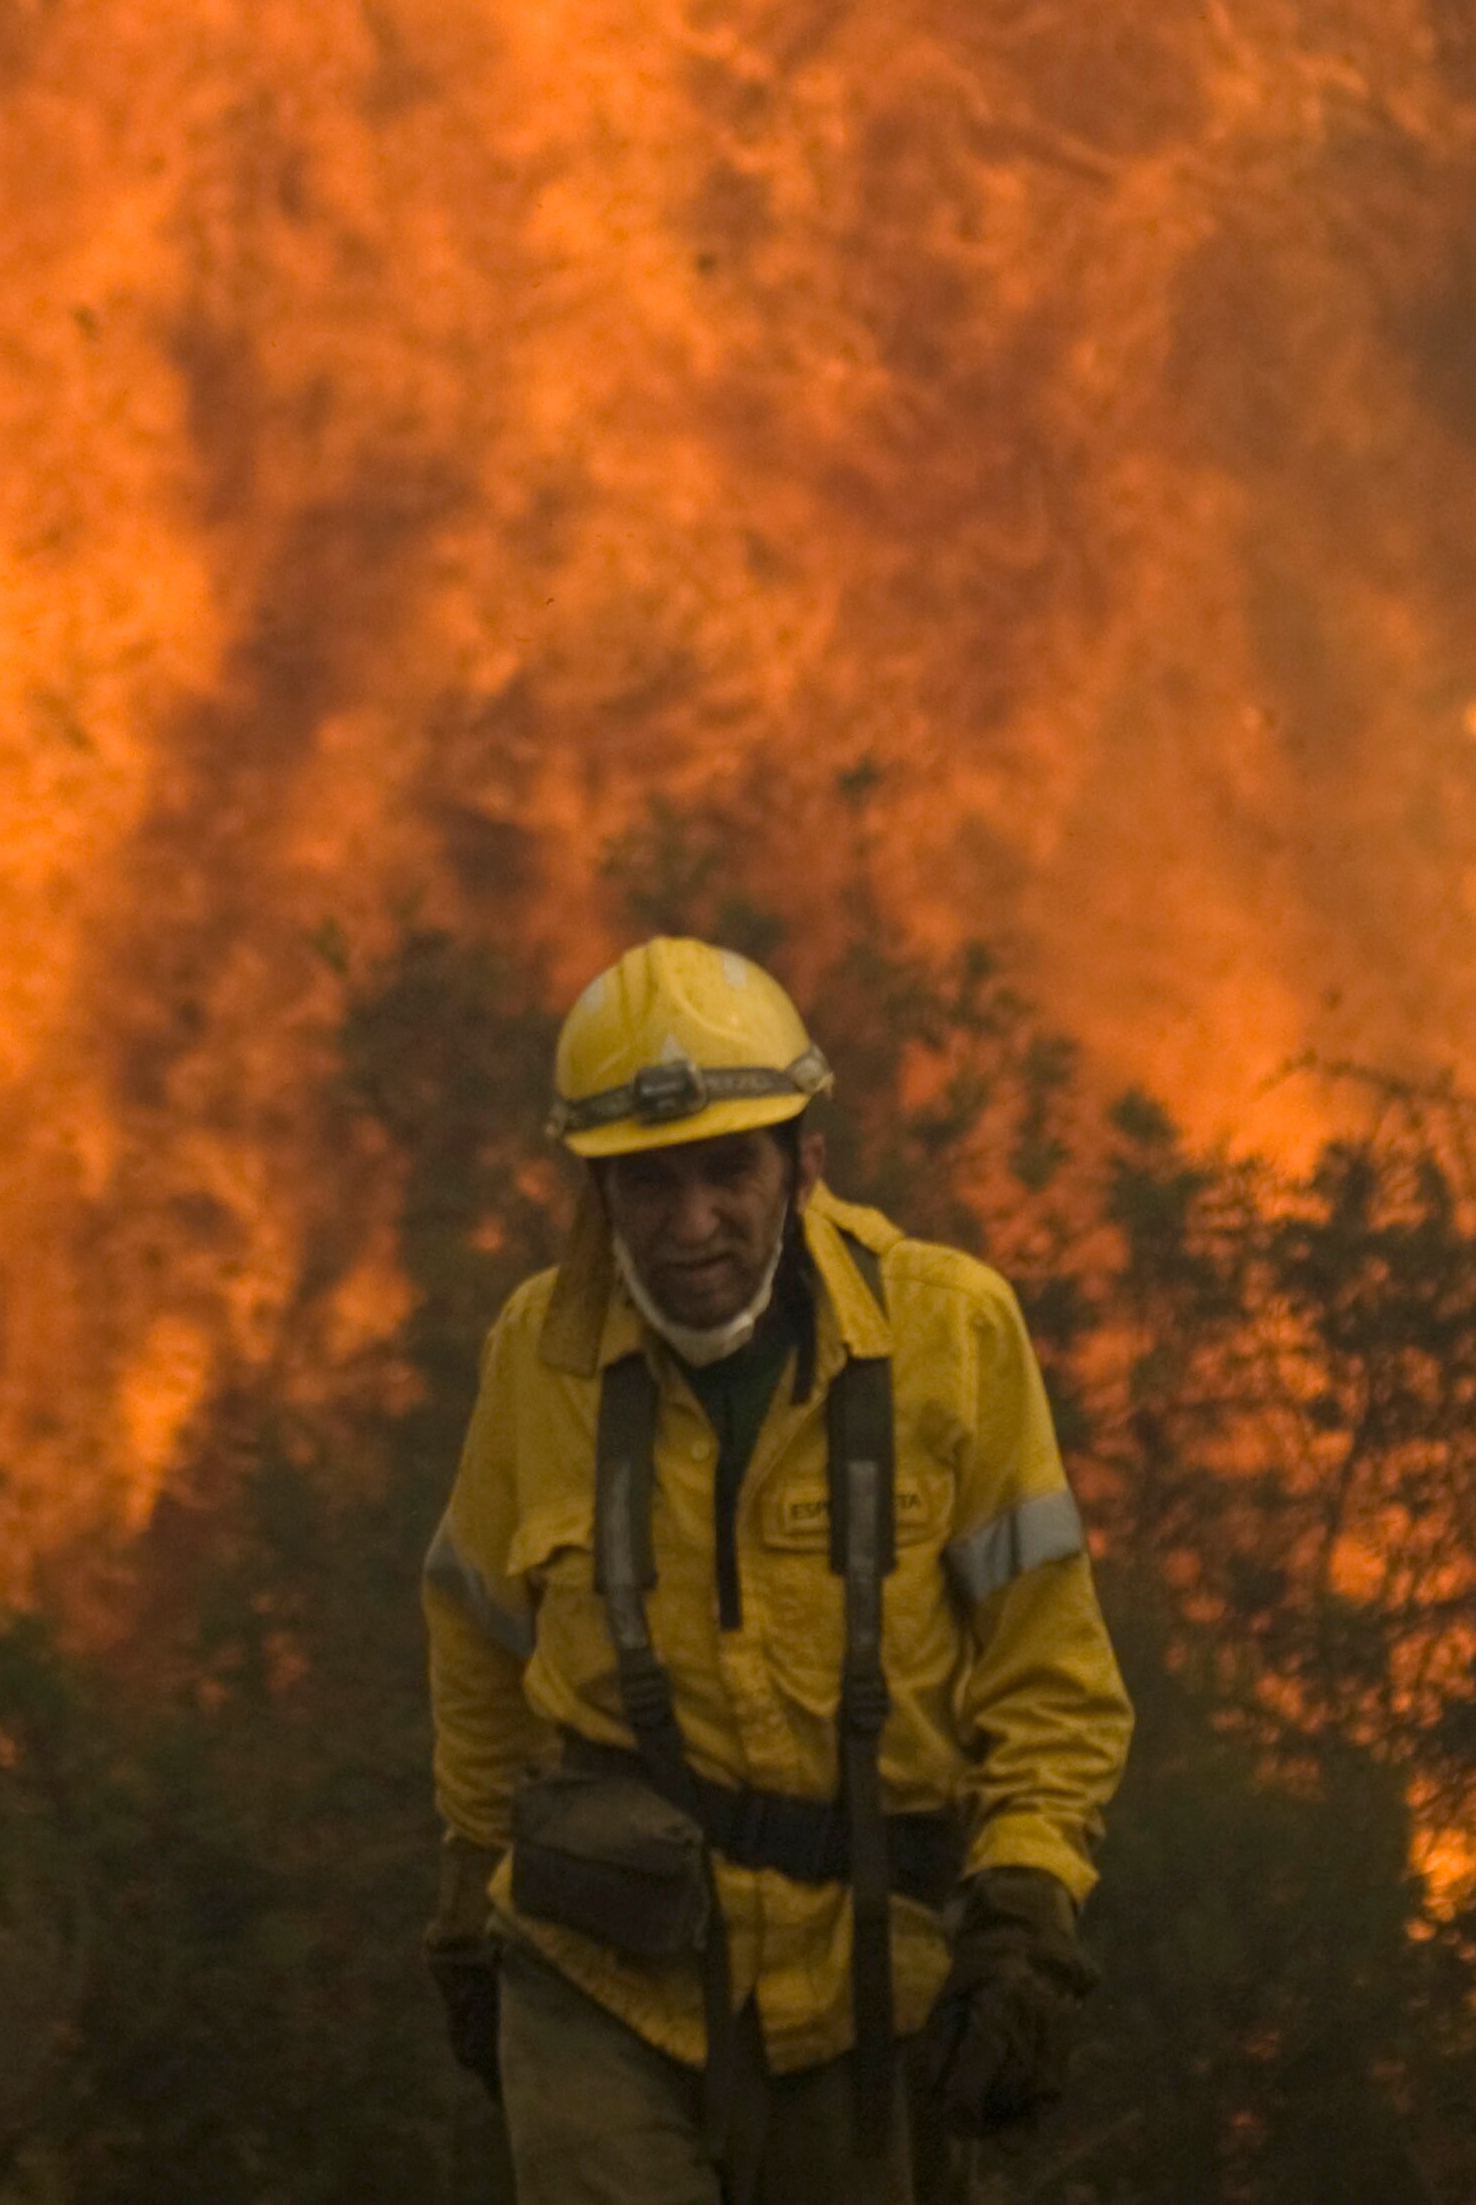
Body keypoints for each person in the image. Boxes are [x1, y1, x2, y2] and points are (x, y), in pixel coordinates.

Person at [422, 934, 1133, 2204]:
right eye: (645, 1184)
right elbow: (476, 1639)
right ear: (595, 1192)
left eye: (727, 1170)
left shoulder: (951, 1336)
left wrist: (1025, 1907)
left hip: (863, 1998)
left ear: (804, 1158)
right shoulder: (538, 1358)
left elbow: (1050, 1675)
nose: (690, 1224)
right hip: (596, 1974)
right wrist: (470, 1899)